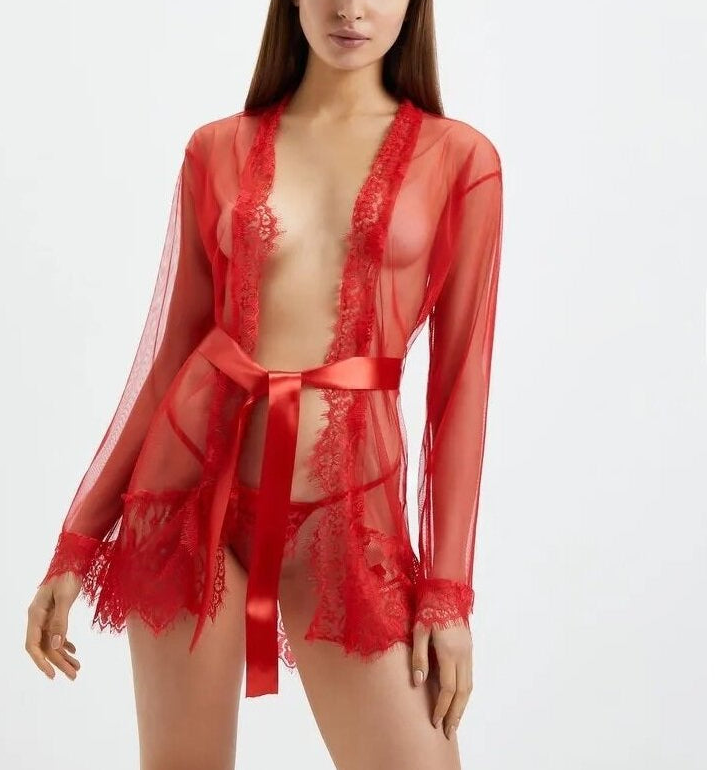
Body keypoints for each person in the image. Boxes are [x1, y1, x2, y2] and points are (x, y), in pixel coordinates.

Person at [25, 1, 504, 767]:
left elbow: (461, 388)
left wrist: (449, 594)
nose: (350, 8)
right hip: (189, 496)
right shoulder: (216, 148)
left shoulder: (461, 158)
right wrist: (77, 542)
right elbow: (169, 358)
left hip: (346, 515)